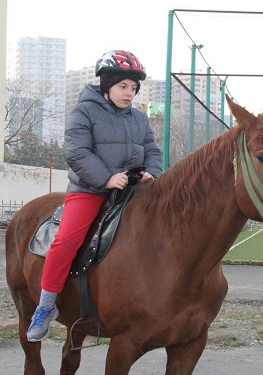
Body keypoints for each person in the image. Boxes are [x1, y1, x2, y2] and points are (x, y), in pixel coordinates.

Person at [26, 50, 163, 342]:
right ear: (107, 84)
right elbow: (77, 152)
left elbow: (152, 149)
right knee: (66, 241)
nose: (130, 93)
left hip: (133, 189)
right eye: (123, 86)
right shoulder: (84, 112)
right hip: (90, 190)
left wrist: (152, 171)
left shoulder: (139, 118)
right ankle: (46, 305)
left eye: (134, 88)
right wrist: (106, 178)